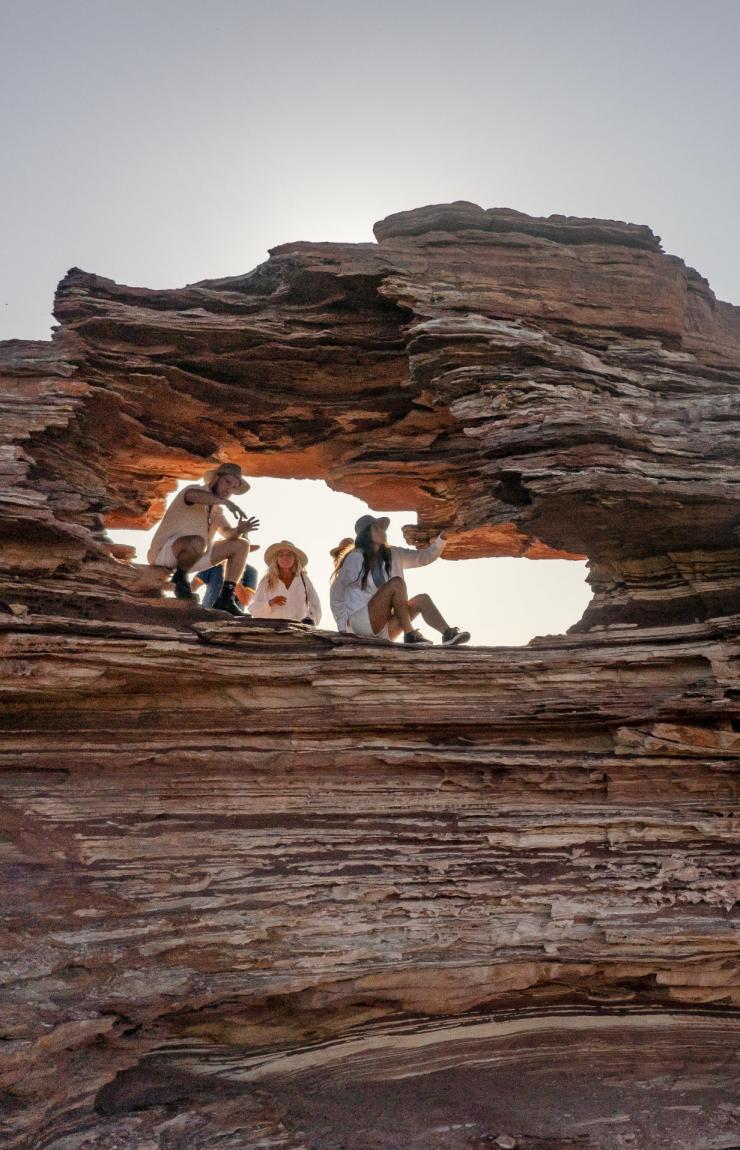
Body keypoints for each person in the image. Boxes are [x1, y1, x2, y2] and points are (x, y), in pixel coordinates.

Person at [329, 514, 470, 647]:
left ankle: (448, 635)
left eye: (382, 529)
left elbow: (424, 557)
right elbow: (336, 594)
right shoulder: (354, 558)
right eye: (377, 528)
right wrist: (343, 628)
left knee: (422, 599)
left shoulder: (394, 553)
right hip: (361, 624)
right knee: (396, 584)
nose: (383, 532)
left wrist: (443, 537)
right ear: (366, 534)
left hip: (384, 630)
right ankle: (410, 634)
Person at [147, 462, 258, 616]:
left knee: (241, 545)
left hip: (195, 556)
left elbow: (228, 533)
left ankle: (225, 599)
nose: (229, 490)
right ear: (215, 478)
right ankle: (180, 582)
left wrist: (239, 530)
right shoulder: (194, 491)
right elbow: (194, 496)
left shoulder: (216, 510)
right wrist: (224, 501)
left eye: (233, 487)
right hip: (164, 554)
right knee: (198, 542)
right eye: (227, 482)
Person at [249, 541, 322, 625]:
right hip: (273, 631)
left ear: (295, 559)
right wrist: (270, 602)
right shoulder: (267, 580)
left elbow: (316, 605)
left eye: (289, 555)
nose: (285, 557)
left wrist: (310, 619)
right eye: (281, 555)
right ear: (276, 559)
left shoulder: (304, 580)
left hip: (299, 631)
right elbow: (253, 607)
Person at [192, 558, 260, 610]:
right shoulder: (212, 566)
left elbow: (246, 601)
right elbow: (192, 587)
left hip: (232, 620)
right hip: (208, 614)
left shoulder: (251, 571)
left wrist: (234, 575)